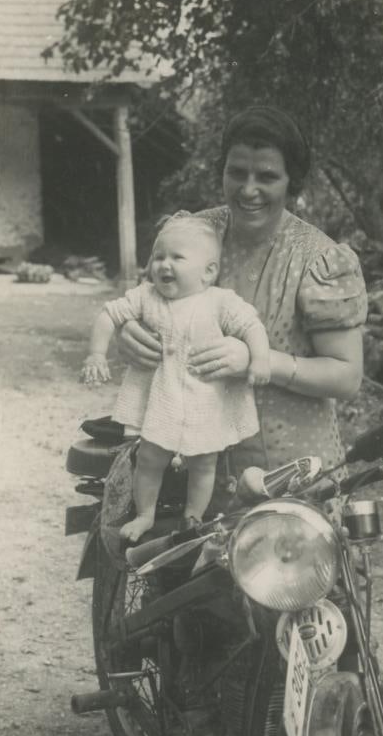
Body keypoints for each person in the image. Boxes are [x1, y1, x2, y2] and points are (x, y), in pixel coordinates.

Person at [115, 105, 368, 499]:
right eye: (237, 173)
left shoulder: (318, 260)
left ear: (292, 182)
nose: (248, 190)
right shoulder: (192, 234)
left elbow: (347, 377)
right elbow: (150, 304)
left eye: (267, 176)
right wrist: (129, 332)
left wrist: (258, 360)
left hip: (289, 475)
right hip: (191, 470)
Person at [82, 215, 270, 542]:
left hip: (205, 400)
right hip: (163, 400)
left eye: (176, 258)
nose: (164, 265)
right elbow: (109, 314)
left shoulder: (219, 302)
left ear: (207, 272)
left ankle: (192, 517)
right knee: (149, 459)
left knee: (204, 464)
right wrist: (96, 353)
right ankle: (145, 515)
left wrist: (260, 358)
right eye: (158, 257)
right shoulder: (146, 296)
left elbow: (251, 325)